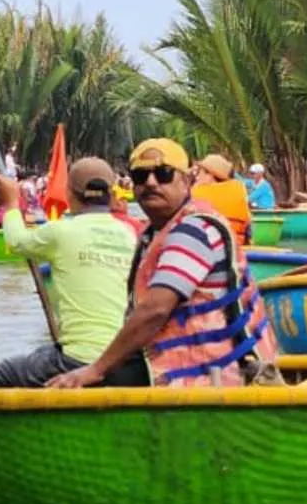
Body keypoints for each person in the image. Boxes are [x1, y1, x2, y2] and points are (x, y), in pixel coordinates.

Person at [48, 139, 278, 389]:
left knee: (27, 377)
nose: (151, 182)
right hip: (177, 373)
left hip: (218, 378)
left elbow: (156, 309)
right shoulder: (154, 234)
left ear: (187, 180)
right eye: (140, 176)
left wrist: (96, 369)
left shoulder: (194, 229)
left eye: (163, 174)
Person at [0, 159, 141, 388]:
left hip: (79, 359)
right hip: (125, 359)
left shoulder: (60, 231)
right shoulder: (129, 234)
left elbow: (16, 242)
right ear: (111, 193)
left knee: (0, 374)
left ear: (69, 194)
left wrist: (10, 204)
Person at [192, 153, 251, 243]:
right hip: (237, 243)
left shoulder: (196, 191)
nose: (197, 177)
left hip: (207, 245)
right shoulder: (239, 188)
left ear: (210, 175)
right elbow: (247, 222)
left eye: (200, 172)